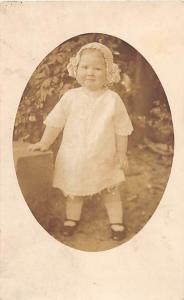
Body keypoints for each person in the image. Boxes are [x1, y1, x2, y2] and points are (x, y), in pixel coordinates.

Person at [29, 42, 133, 241]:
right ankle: (72, 219)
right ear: (76, 69)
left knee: (110, 188)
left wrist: (121, 153)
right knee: (73, 190)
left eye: (97, 68)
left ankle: (116, 222)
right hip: (74, 155)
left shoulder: (112, 99)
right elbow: (55, 122)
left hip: (103, 155)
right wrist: (44, 142)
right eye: (85, 67)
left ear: (109, 72)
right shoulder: (70, 97)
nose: (90, 73)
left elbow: (122, 129)